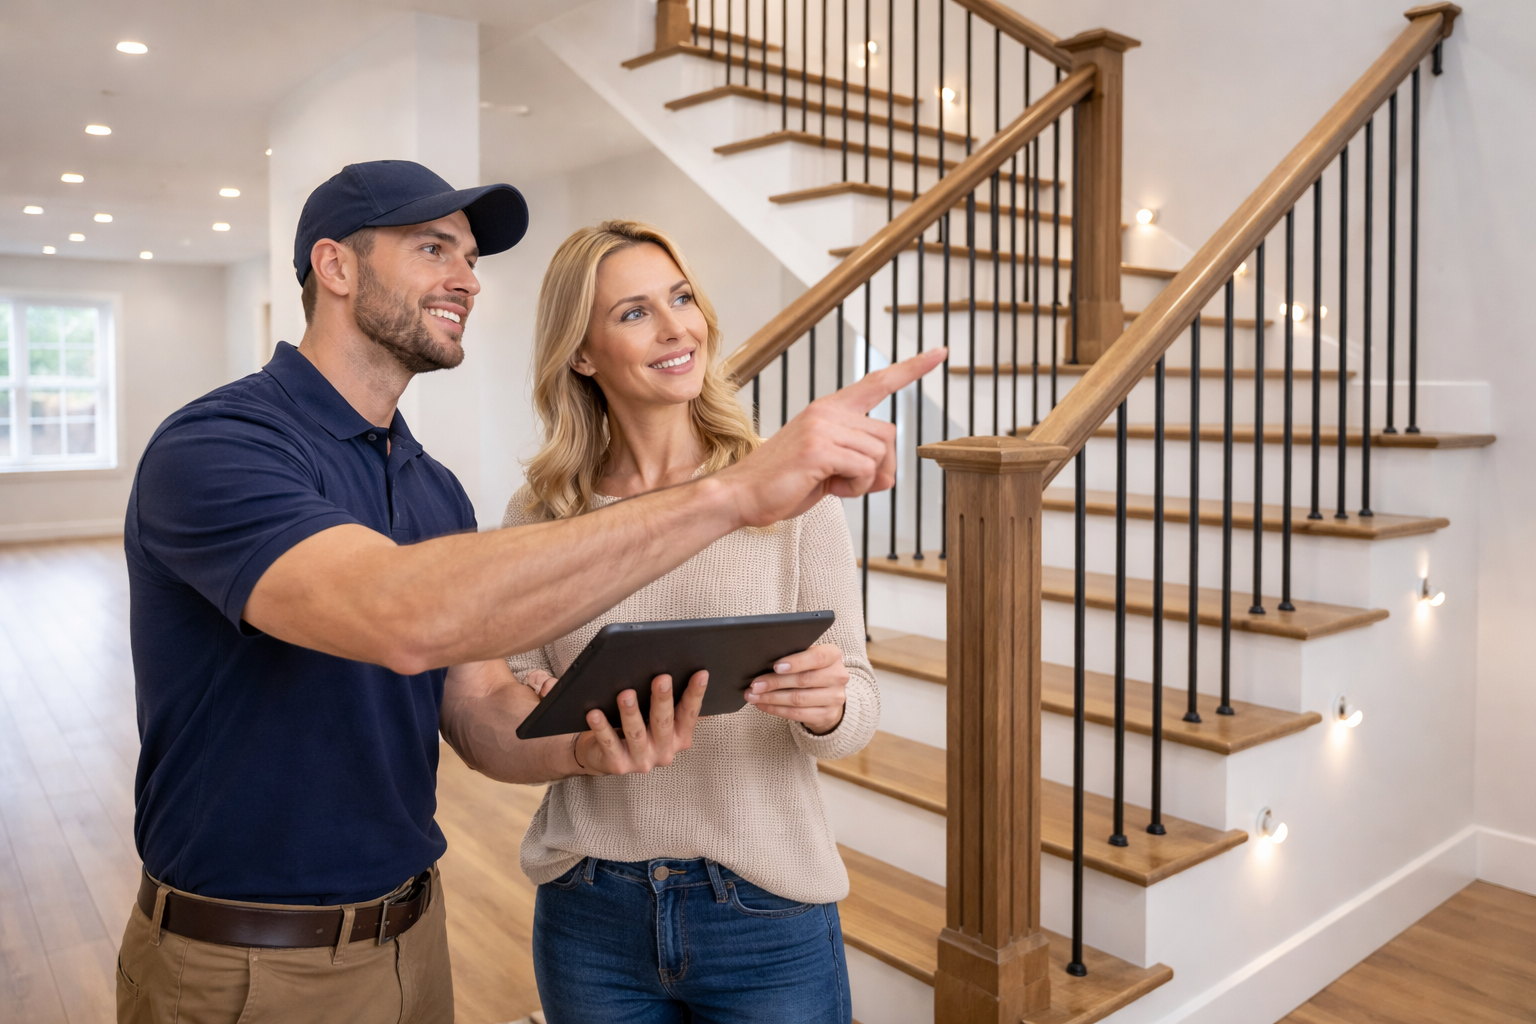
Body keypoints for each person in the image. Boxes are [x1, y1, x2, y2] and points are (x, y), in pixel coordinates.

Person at [116, 159, 944, 1024]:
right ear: (336, 267)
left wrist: (581, 745)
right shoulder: (219, 447)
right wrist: (732, 494)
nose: (467, 280)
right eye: (434, 248)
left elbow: (477, 709)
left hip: (409, 936)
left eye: (470, 258)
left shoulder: (433, 492)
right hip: (246, 961)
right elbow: (401, 614)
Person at [504, 220, 876, 1024]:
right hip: (589, 908)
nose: (677, 328)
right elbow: (508, 700)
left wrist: (829, 705)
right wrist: (528, 694)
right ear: (581, 353)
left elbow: (857, 707)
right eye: (635, 312)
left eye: (681, 299)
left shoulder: (790, 493)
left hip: (764, 908)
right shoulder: (541, 514)